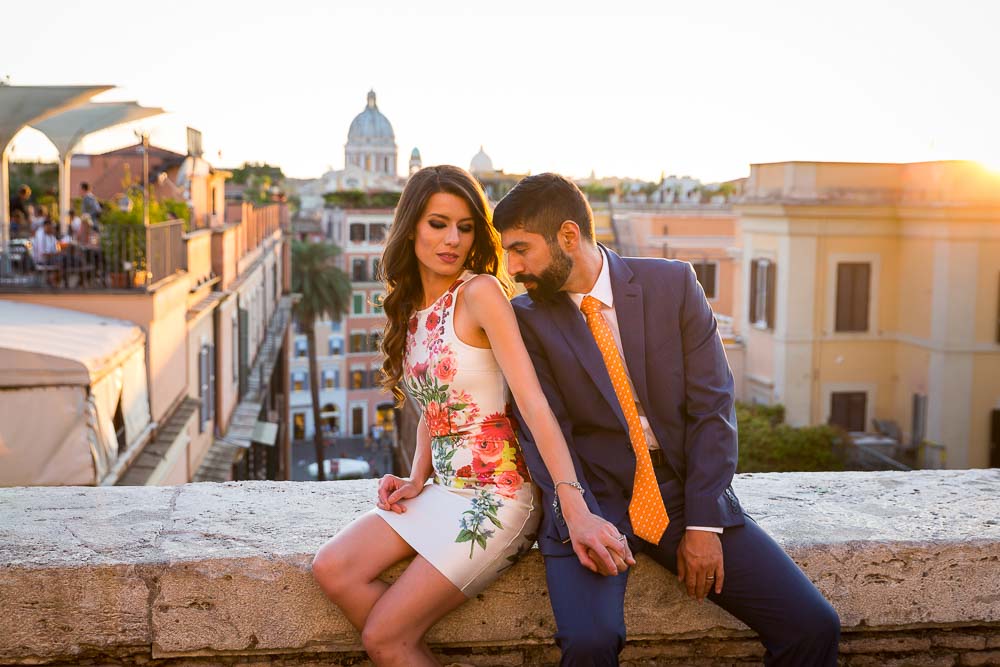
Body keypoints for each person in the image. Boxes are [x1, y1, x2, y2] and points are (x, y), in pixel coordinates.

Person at [492, 173, 841, 666]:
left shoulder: (672, 284)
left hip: (682, 491)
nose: (514, 266)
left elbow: (712, 406)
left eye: (521, 249)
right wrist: (580, 514)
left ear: (568, 236)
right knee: (591, 642)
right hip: (592, 498)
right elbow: (542, 429)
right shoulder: (525, 317)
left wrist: (704, 522)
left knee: (812, 625)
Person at [311, 166, 631, 666]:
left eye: (465, 227)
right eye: (438, 224)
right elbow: (435, 403)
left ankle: (397, 645)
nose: (452, 239)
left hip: (500, 497)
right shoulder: (412, 308)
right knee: (332, 568)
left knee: (383, 639)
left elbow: (533, 402)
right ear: (411, 226)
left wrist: (574, 505)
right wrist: (417, 476)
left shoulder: (480, 292)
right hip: (444, 490)